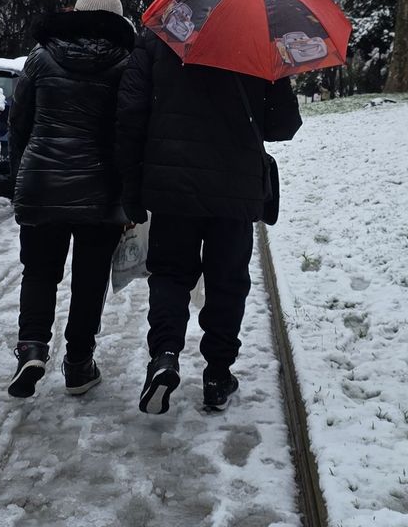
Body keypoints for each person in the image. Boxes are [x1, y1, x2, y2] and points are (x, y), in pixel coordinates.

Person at [115, 27, 302, 414]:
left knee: (169, 274)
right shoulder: (259, 45)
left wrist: (131, 192)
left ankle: (164, 356)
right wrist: (278, 73)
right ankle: (218, 374)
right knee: (227, 281)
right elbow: (282, 126)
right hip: (234, 189)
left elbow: (130, 114)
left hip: (172, 186)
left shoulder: (157, 39)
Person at [5, 0, 136, 399]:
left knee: (40, 271)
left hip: (43, 183)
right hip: (100, 189)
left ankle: (32, 347)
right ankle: (79, 365)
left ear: (77, 14)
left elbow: (18, 121)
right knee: (90, 279)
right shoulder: (126, 64)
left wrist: (21, 172)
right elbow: (128, 133)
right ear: (116, 21)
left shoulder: (40, 58)